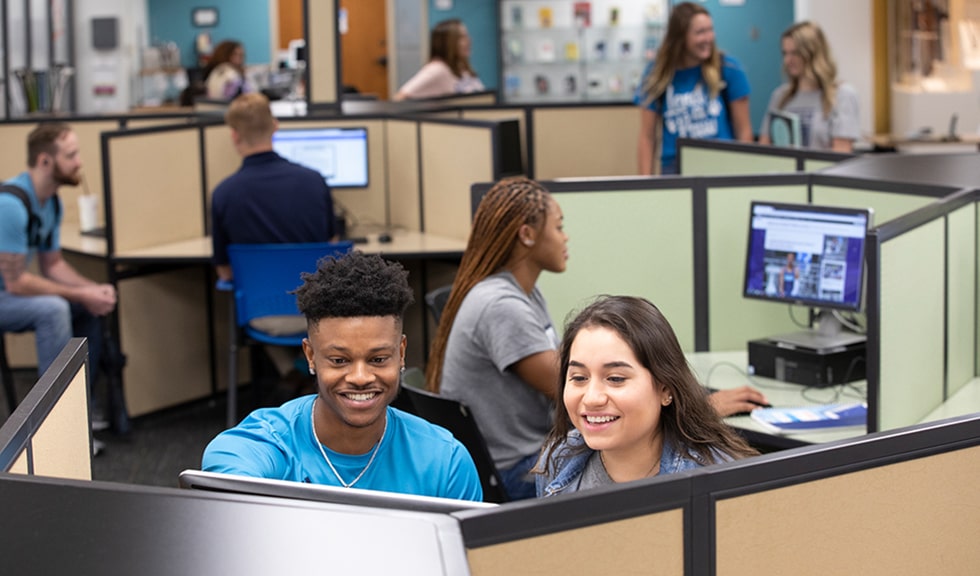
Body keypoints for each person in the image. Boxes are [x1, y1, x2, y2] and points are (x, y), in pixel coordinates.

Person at [203, 251, 483, 501]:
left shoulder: (445, 462)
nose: (360, 377)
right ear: (310, 356)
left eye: (378, 359)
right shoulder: (272, 443)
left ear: (401, 352)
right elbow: (227, 466)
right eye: (339, 360)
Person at [426, 177, 566, 501]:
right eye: (559, 227)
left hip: (522, 453)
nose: (565, 237)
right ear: (527, 235)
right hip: (514, 470)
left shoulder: (520, 292)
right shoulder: (501, 306)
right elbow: (574, 388)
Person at [536, 296, 758, 497]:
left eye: (615, 378)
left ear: (665, 389)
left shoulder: (720, 478)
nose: (592, 398)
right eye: (579, 377)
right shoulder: (558, 458)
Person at [211, 92, 337, 386]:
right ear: (275, 126)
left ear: (234, 136)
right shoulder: (313, 180)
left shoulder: (224, 194)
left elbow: (225, 273)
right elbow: (332, 252)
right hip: (317, 312)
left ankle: (292, 372)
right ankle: (300, 371)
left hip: (260, 315)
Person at [0, 123, 117, 433]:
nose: (79, 162)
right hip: (5, 294)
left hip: (9, 294)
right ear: (45, 161)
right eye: (71, 155)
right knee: (53, 309)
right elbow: (16, 283)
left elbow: (53, 265)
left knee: (88, 306)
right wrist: (79, 294)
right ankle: (52, 422)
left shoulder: (51, 202)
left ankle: (80, 406)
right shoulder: (10, 205)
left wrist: (92, 291)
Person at [636, 2, 752, 175]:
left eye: (710, 30)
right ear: (681, 37)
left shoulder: (728, 68)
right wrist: (644, 185)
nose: (708, 38)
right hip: (675, 167)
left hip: (721, 164)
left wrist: (744, 176)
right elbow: (647, 137)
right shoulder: (656, 74)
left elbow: (744, 130)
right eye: (700, 32)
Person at [758, 21, 860, 152]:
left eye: (795, 53)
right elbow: (764, 149)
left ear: (812, 54)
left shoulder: (842, 95)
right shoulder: (780, 96)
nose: (788, 61)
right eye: (785, 53)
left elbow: (841, 154)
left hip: (821, 172)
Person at [393, 19, 484, 101]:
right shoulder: (437, 69)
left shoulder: (462, 67)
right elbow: (400, 97)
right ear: (447, 43)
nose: (469, 41)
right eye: (461, 37)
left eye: (467, 36)